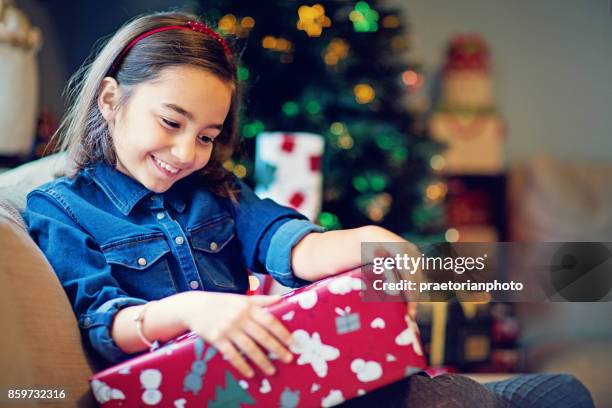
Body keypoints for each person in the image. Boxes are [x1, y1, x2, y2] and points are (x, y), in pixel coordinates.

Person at [24, 11, 594, 407]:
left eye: (206, 135)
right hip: (203, 393)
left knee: (549, 388)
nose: (185, 153)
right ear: (109, 97)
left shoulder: (215, 196)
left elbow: (292, 244)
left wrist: (371, 242)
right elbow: (103, 324)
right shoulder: (59, 208)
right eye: (172, 122)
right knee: (490, 397)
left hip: (296, 380)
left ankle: (571, 287)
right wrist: (194, 310)